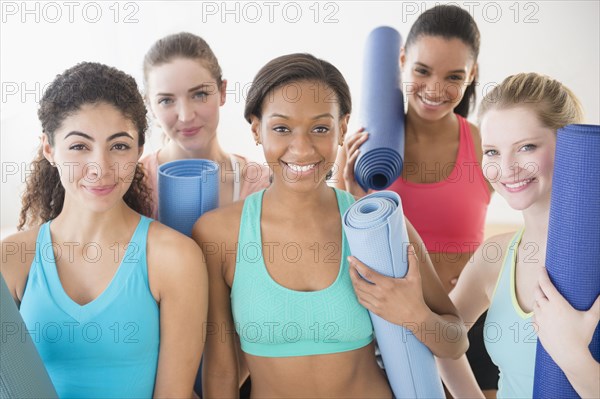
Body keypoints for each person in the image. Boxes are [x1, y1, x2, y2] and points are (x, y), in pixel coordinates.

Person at [195, 53, 468, 398]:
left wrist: (414, 314)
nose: (302, 148)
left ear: (342, 129)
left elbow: (456, 340)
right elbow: (220, 371)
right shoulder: (219, 235)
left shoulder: (376, 228)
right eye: (281, 128)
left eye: (320, 128)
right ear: (255, 129)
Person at [0, 62, 208, 398]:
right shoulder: (12, 258)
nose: (101, 168)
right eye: (80, 146)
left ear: (140, 149)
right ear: (49, 149)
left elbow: (174, 394)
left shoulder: (175, 258)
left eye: (119, 146)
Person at [334, 5, 497, 395]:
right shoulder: (366, 151)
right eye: (422, 71)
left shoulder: (485, 144)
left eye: (454, 76)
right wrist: (346, 197)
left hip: (467, 328)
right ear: (402, 61)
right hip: (390, 330)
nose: (435, 89)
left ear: (471, 75)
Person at [437, 72, 599, 399]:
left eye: (526, 147)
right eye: (493, 151)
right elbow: (440, 339)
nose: (506, 168)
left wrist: (572, 355)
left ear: (568, 146)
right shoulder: (494, 257)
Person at [141, 32, 270, 218]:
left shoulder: (262, 185)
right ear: (150, 106)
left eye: (199, 95)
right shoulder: (129, 184)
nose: (186, 116)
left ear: (222, 92)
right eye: (166, 101)